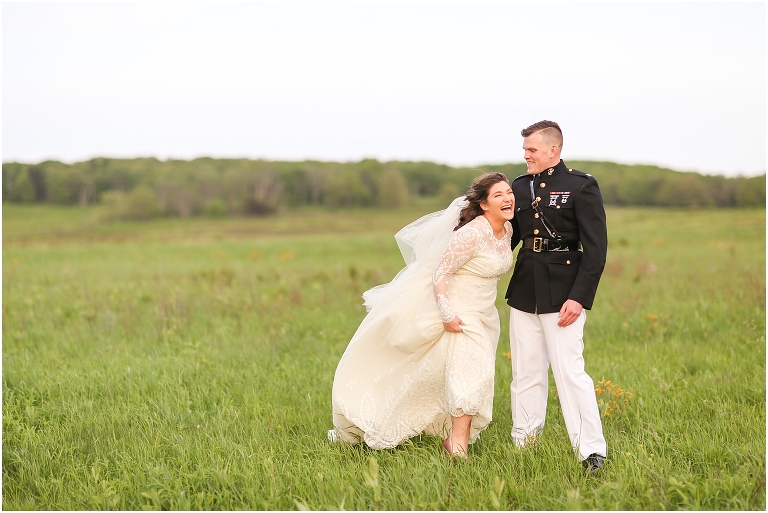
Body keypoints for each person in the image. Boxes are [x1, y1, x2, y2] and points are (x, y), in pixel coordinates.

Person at [329, 173, 515, 458]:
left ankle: (433, 429)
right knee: (472, 375)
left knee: (441, 374)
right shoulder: (471, 233)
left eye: (509, 192)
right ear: (484, 204)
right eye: (498, 195)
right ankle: (457, 445)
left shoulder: (507, 231)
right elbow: (441, 272)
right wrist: (447, 314)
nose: (507, 198)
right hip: (460, 313)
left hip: (485, 313)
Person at [504, 120, 608, 473]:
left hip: (564, 293)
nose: (526, 155)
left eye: (531, 150)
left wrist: (579, 297)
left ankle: (590, 451)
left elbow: (595, 250)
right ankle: (525, 442)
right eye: (525, 150)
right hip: (524, 291)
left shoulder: (581, 186)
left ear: (553, 150)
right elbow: (510, 237)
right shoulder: (519, 187)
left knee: (569, 372)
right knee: (525, 372)